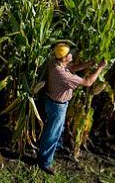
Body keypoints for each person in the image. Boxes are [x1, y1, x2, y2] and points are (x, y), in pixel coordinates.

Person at [37, 42, 107, 175]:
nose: (71, 55)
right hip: (57, 106)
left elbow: (70, 67)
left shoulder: (54, 63)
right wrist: (100, 68)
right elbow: (88, 82)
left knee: (56, 129)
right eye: (69, 54)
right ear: (63, 57)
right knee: (52, 133)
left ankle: (54, 149)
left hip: (52, 102)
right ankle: (45, 162)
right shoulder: (63, 75)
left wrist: (87, 64)